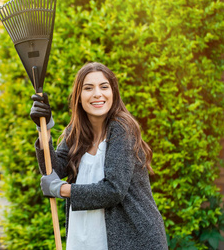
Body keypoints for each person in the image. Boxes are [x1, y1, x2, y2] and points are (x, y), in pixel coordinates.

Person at [30, 62, 168, 250]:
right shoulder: (76, 131)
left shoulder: (122, 129)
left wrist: (62, 190)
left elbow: (113, 190)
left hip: (132, 238)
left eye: (104, 87)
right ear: (79, 97)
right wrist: (43, 128)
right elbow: (52, 169)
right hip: (85, 236)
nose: (97, 94)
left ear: (113, 93)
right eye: (88, 88)